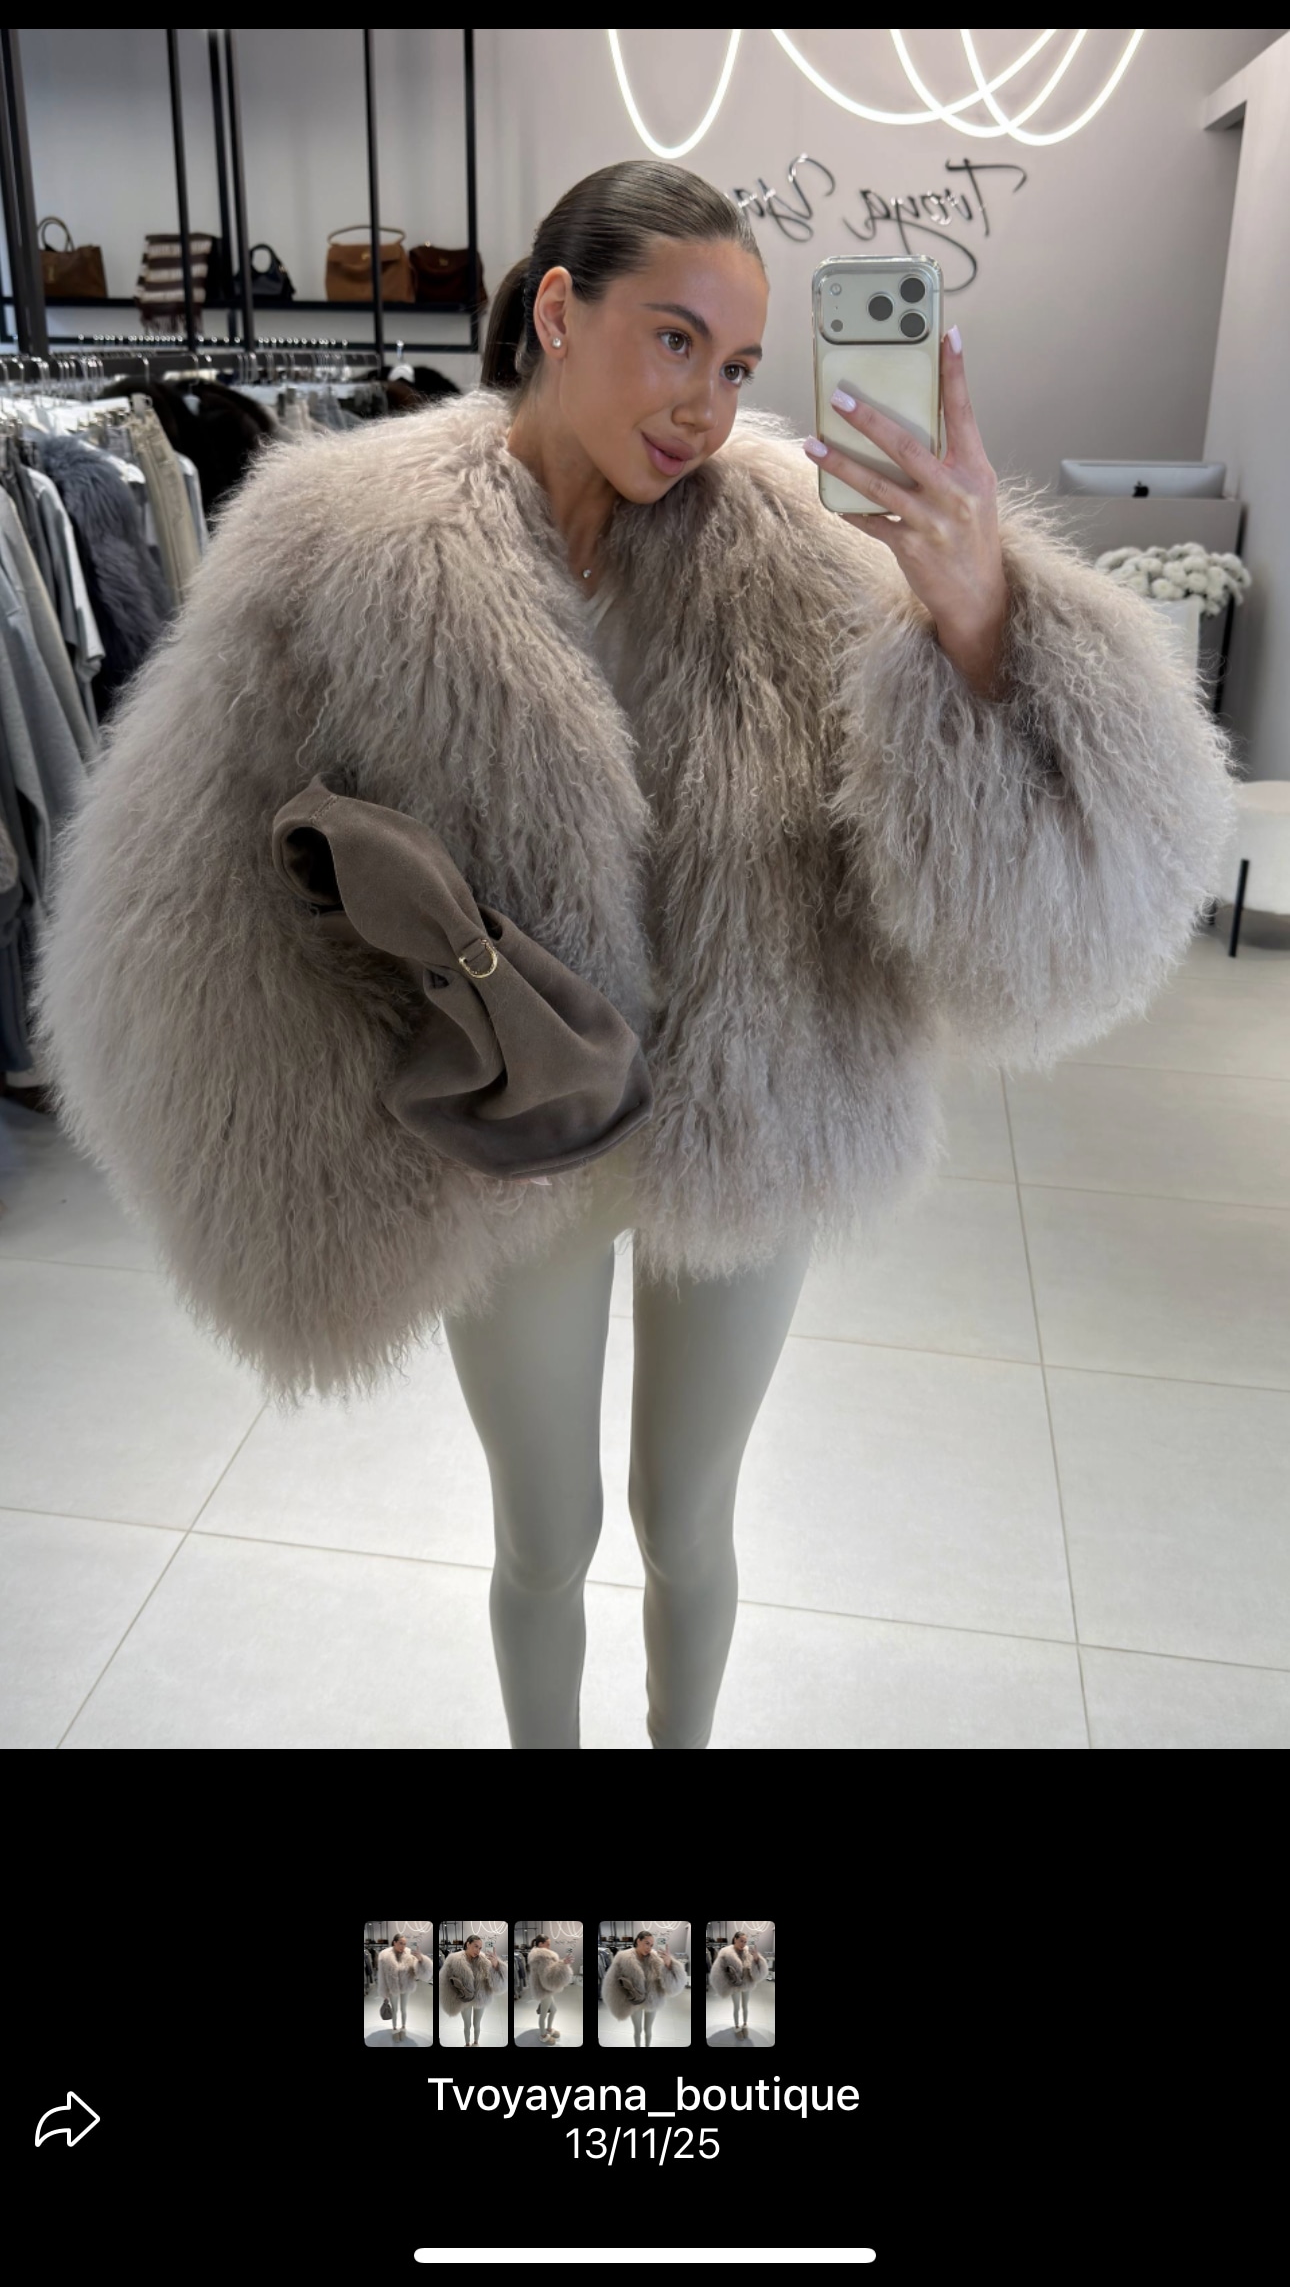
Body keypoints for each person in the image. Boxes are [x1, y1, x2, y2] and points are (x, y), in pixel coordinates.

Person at [38, 162, 1238, 1756]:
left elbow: (1040, 877)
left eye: (735, 365)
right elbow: (193, 870)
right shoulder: (341, 542)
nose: (705, 405)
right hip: (504, 1129)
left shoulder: (801, 545)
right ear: (558, 309)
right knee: (542, 1531)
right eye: (673, 341)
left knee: (690, 1518)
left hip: (752, 1093)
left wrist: (976, 626)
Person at [602, 1931, 687, 2049]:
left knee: (648, 2029)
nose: (649, 1948)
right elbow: (612, 1982)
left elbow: (673, 1984)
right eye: (647, 1943)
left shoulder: (656, 1958)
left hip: (653, 1999)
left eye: (651, 1945)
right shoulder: (623, 1957)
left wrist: (668, 1964)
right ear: (638, 1941)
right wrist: (621, 1998)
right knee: (637, 2030)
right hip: (634, 2000)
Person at [439, 1933, 504, 2047]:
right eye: (475, 1946)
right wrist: (452, 1996)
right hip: (464, 1998)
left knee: (477, 2024)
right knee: (467, 2025)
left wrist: (496, 1966)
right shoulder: (454, 1959)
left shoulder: (485, 1960)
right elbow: (444, 1980)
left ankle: (476, 2043)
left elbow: (497, 1985)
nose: (478, 1951)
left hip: (481, 1997)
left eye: (480, 1948)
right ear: (467, 1944)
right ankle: (467, 2044)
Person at [710, 1931, 768, 2037]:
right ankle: (737, 2027)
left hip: (747, 1983)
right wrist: (727, 1981)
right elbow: (718, 1971)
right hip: (734, 1985)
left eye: (745, 1942)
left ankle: (745, 2025)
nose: (743, 1944)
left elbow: (758, 1971)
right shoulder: (725, 1953)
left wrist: (756, 1959)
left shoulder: (748, 1952)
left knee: (745, 2006)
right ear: (735, 1939)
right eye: (741, 1941)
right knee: (736, 2007)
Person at [377, 1932, 432, 2041]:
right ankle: (394, 2029)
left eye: (405, 1944)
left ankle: (403, 2028)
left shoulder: (410, 1953)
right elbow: (382, 1975)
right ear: (394, 1942)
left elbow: (420, 1972)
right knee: (394, 2009)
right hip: (392, 1987)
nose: (403, 1946)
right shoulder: (384, 1955)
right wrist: (384, 1992)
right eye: (400, 1943)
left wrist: (420, 1958)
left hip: (406, 1985)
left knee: (403, 2009)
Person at [526, 1933, 576, 2042]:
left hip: (545, 1988)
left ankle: (548, 2029)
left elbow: (549, 1969)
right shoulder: (542, 1957)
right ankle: (543, 2035)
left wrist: (562, 1963)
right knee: (544, 2014)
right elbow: (547, 1976)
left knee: (553, 2010)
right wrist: (562, 1964)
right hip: (544, 1989)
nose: (549, 1946)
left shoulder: (540, 1956)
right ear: (541, 1944)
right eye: (548, 1944)